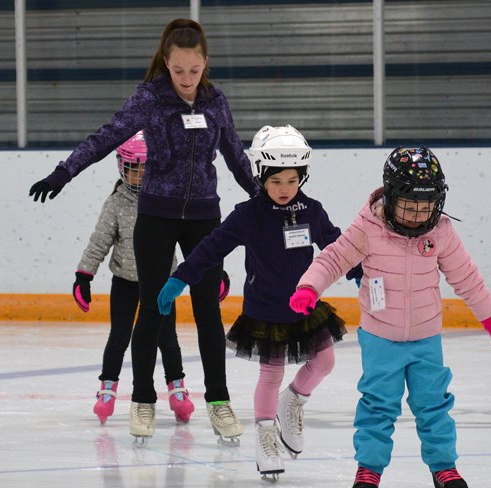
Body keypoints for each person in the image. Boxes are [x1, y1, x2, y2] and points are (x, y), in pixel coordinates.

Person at [28, 18, 256, 445]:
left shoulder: (215, 102)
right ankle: (144, 401)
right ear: (165, 64)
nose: (187, 80)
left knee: (208, 310)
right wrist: (64, 172)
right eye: (178, 71)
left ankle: (220, 403)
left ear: (205, 63)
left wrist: (264, 198)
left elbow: (236, 158)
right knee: (153, 308)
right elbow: (106, 136)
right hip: (156, 214)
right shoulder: (150, 98)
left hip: (205, 215)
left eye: (194, 70)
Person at [289, 146, 491, 488]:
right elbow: (333, 259)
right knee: (378, 406)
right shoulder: (368, 227)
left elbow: (465, 276)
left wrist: (489, 316)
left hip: (426, 338)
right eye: (409, 206)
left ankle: (444, 467)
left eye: (426, 206)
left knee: (434, 405)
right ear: (391, 198)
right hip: (380, 338)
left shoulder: (441, 232)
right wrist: (309, 288)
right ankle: (369, 469)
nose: (418, 215)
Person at [157, 125, 360, 479]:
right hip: (265, 309)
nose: (284, 189)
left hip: (304, 306)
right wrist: (181, 277)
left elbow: (336, 245)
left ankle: (293, 399)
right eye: (276, 181)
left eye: (292, 181)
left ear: (302, 178)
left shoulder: (311, 210)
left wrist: (358, 270)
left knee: (325, 361)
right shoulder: (247, 215)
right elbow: (211, 247)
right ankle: (266, 437)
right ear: (262, 177)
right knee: (271, 373)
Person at [72, 131, 195, 425]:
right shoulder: (117, 203)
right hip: (125, 282)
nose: (140, 175)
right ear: (122, 167)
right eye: (134, 169)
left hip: (163, 284)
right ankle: (107, 389)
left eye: (146, 169)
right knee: (119, 337)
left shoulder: (169, 199)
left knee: (167, 338)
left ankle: (177, 389)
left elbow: (191, 240)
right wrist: (84, 275)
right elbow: (100, 240)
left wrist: (210, 272)